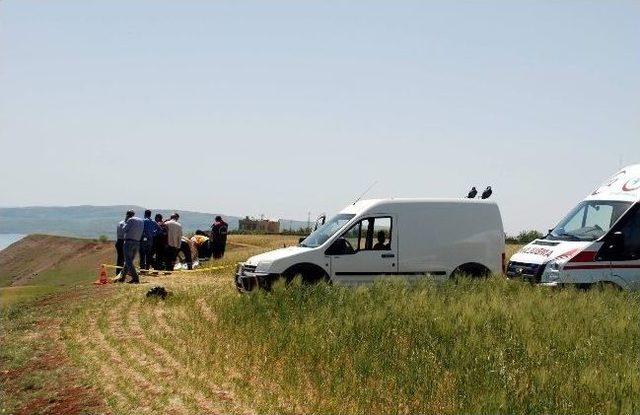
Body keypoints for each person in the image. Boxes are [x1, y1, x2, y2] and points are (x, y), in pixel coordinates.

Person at [116, 210, 144, 284]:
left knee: (128, 261)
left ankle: (135, 278)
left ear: (127, 215)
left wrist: (126, 221)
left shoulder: (130, 220)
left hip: (129, 242)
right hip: (137, 242)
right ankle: (122, 277)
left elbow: (124, 229)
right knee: (129, 261)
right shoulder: (141, 220)